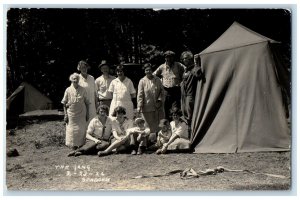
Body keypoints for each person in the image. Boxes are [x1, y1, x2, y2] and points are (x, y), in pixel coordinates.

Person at [153, 50, 185, 121]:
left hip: (176, 90)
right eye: (167, 57)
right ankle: (167, 125)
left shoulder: (178, 65)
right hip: (166, 91)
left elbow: (187, 70)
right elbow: (153, 75)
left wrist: (183, 80)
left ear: (173, 58)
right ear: (165, 58)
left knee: (176, 108)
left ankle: (176, 123)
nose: (169, 59)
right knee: (166, 108)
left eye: (171, 57)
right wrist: (159, 82)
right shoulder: (162, 67)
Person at [61, 73, 90, 149]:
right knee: (71, 129)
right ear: (71, 80)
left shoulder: (83, 89)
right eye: (73, 78)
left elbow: (87, 103)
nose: (75, 80)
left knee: (81, 129)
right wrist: (65, 115)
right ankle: (72, 145)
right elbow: (64, 103)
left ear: (78, 80)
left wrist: (88, 114)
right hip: (71, 114)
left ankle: (81, 145)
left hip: (81, 113)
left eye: (76, 78)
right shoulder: (68, 90)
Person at [180, 51, 203, 136]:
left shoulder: (193, 68)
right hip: (183, 96)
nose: (184, 59)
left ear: (190, 59)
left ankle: (193, 135)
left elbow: (198, 74)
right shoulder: (185, 69)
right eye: (183, 58)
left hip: (190, 95)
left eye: (186, 58)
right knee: (185, 114)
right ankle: (188, 135)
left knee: (191, 115)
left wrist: (196, 62)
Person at [137, 63, 165, 133]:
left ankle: (159, 139)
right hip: (147, 107)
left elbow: (162, 91)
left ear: (152, 70)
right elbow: (140, 94)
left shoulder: (158, 79)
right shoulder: (142, 81)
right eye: (146, 70)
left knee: (159, 124)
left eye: (150, 70)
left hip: (158, 106)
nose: (148, 71)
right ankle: (150, 140)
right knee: (148, 126)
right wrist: (139, 106)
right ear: (144, 71)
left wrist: (160, 100)